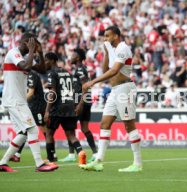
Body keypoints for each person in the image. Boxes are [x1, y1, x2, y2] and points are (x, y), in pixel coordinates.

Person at [78, 26, 142, 172]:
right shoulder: (113, 49)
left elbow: (114, 71)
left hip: (125, 89)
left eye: (107, 36)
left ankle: (137, 164)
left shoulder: (123, 48)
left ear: (116, 36)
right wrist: (106, 52)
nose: (105, 39)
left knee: (129, 125)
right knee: (104, 124)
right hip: (115, 90)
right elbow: (106, 69)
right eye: (104, 36)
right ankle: (99, 161)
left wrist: (92, 82)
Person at [0, 33, 58, 172]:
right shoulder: (13, 53)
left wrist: (41, 53)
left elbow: (43, 70)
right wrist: (32, 50)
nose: (36, 48)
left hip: (18, 101)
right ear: (27, 42)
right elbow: (26, 67)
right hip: (14, 100)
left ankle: (2, 163)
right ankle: (39, 164)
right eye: (34, 45)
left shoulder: (25, 58)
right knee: (32, 129)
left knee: (23, 132)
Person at [43, 52, 86, 165]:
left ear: (52, 60)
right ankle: (81, 152)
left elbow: (52, 92)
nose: (45, 63)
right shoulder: (67, 72)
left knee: (49, 133)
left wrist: (47, 110)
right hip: (69, 106)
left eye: (46, 60)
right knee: (71, 135)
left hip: (57, 107)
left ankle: (51, 159)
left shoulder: (52, 73)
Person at [59, 48, 97, 163]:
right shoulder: (81, 69)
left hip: (80, 102)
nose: (71, 56)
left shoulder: (80, 70)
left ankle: (72, 154)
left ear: (78, 58)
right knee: (85, 128)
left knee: (69, 128)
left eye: (73, 55)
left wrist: (80, 104)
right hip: (86, 101)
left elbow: (85, 86)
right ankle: (95, 153)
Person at [9, 69, 54, 162]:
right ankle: (17, 155)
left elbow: (30, 93)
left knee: (45, 131)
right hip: (31, 107)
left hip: (38, 107)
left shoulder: (31, 75)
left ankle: (52, 155)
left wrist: (19, 102)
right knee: (25, 129)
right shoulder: (25, 76)